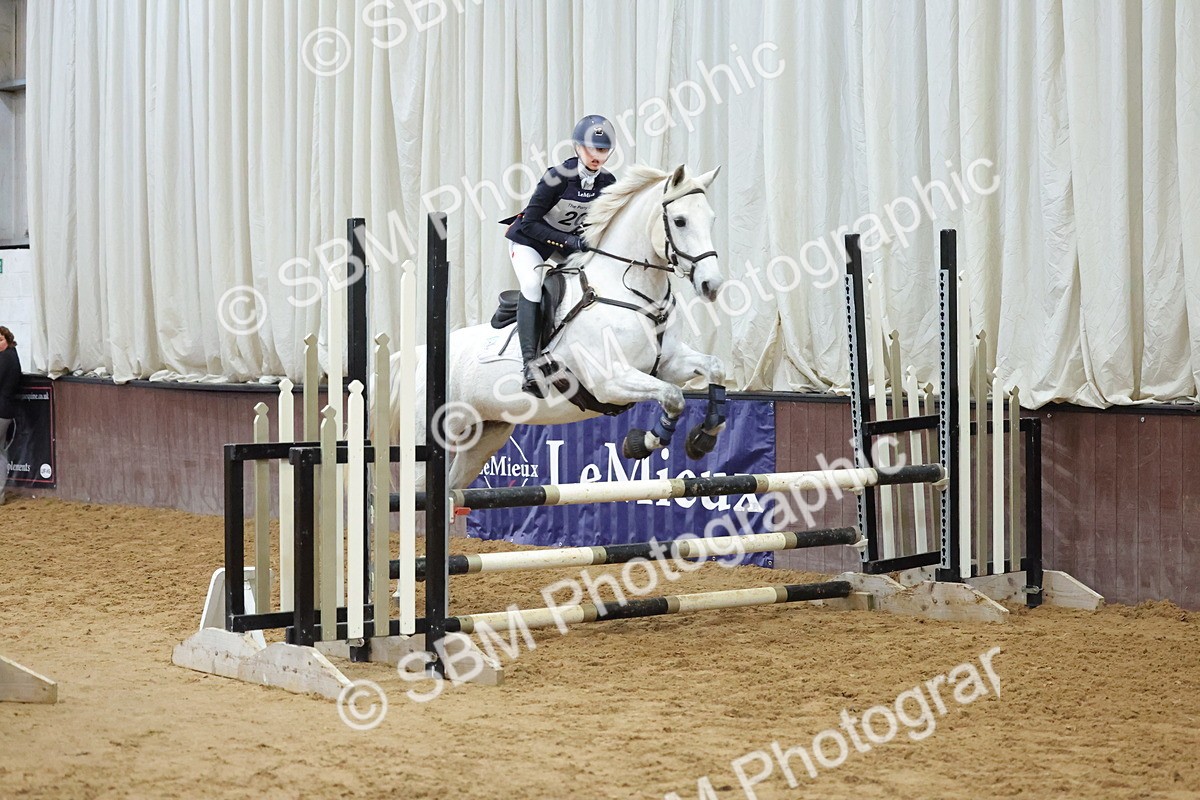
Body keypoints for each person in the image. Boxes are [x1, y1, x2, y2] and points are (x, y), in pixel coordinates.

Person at [504, 114, 618, 396]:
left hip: (564, 245)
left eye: (602, 150)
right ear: (578, 148)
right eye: (590, 148)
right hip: (529, 241)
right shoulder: (557, 177)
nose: (596, 155)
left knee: (592, 283)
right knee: (532, 284)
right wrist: (568, 240)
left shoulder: (608, 181)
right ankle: (530, 364)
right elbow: (530, 222)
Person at [0, 326, 21, 504]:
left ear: (7, 340)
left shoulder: (5, 358)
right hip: (6, 411)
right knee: (1, 453)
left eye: (0, 340)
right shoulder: (12, 356)